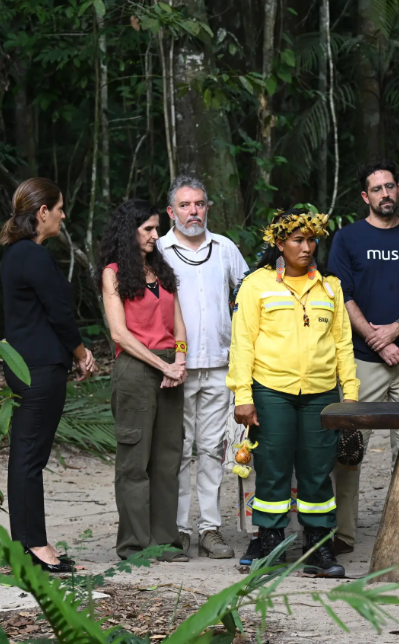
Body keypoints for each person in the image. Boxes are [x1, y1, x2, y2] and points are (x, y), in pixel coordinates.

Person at [227, 208, 359, 578]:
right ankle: (271, 546)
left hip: (321, 393)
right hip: (271, 391)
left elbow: (342, 343)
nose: (306, 247)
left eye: (311, 239)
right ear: (279, 243)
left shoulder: (330, 286)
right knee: (273, 470)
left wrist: (349, 392)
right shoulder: (257, 285)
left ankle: (318, 549)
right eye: (298, 240)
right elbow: (243, 344)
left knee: (318, 471)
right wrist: (243, 394)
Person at [328, 159, 399, 554]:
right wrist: (377, 339)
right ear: (365, 196)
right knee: (350, 446)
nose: (385, 194)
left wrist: (398, 329)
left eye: (390, 187)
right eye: (377, 189)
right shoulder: (347, 239)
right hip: (362, 359)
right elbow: (343, 294)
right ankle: (343, 533)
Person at [0, 177, 97, 574]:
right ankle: (33, 545)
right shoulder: (34, 256)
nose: (62, 215)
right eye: (58, 209)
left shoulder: (14, 253)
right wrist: (82, 353)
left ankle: (29, 541)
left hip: (25, 364)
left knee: (26, 455)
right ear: (42, 213)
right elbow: (59, 313)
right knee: (29, 457)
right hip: (39, 367)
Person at [157, 176, 248, 560]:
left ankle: (209, 528)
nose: (193, 212)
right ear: (170, 212)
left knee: (212, 449)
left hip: (219, 366)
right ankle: (177, 529)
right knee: (178, 451)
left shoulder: (225, 248)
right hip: (176, 369)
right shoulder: (158, 250)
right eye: (185, 205)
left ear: (207, 207)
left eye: (199, 204)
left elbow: (246, 295)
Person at [100, 199, 189, 562]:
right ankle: (135, 545)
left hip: (171, 366)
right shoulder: (113, 272)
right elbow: (119, 334)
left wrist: (180, 359)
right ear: (129, 232)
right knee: (135, 461)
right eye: (148, 229)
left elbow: (179, 322)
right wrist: (162, 366)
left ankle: (165, 542)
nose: (157, 235)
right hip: (136, 370)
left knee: (167, 459)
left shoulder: (162, 269)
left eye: (157, 228)